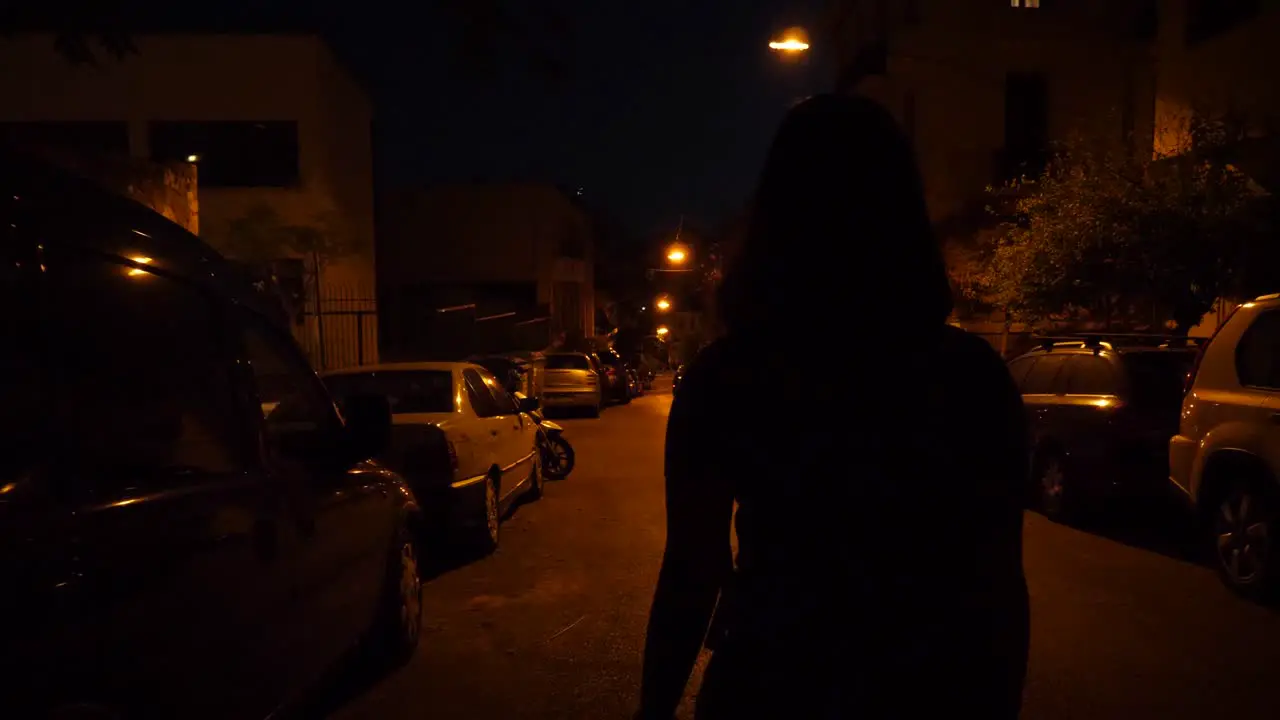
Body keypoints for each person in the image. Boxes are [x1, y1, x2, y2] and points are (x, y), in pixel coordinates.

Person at [637, 94, 1030, 719]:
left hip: (769, 688)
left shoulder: (729, 377)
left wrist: (652, 710)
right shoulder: (971, 377)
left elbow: (691, 571)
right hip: (926, 691)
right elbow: (997, 586)